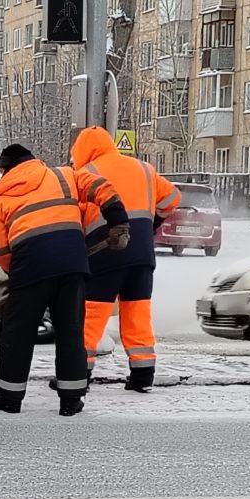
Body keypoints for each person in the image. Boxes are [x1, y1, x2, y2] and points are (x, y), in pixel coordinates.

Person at [0, 143, 130, 416]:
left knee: (17, 335)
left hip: (29, 266)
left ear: (5, 169)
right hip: (71, 263)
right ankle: (71, 400)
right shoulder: (64, 175)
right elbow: (102, 187)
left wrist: (13, 273)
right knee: (70, 332)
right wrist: (118, 219)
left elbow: (1, 248)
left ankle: (9, 399)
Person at [70, 127, 181, 392]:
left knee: (91, 317)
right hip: (142, 253)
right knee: (137, 314)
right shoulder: (143, 168)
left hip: (105, 252)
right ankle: (142, 375)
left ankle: (78, 375)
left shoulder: (85, 175)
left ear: (83, 150)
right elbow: (173, 198)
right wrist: (152, 222)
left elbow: (76, 216)